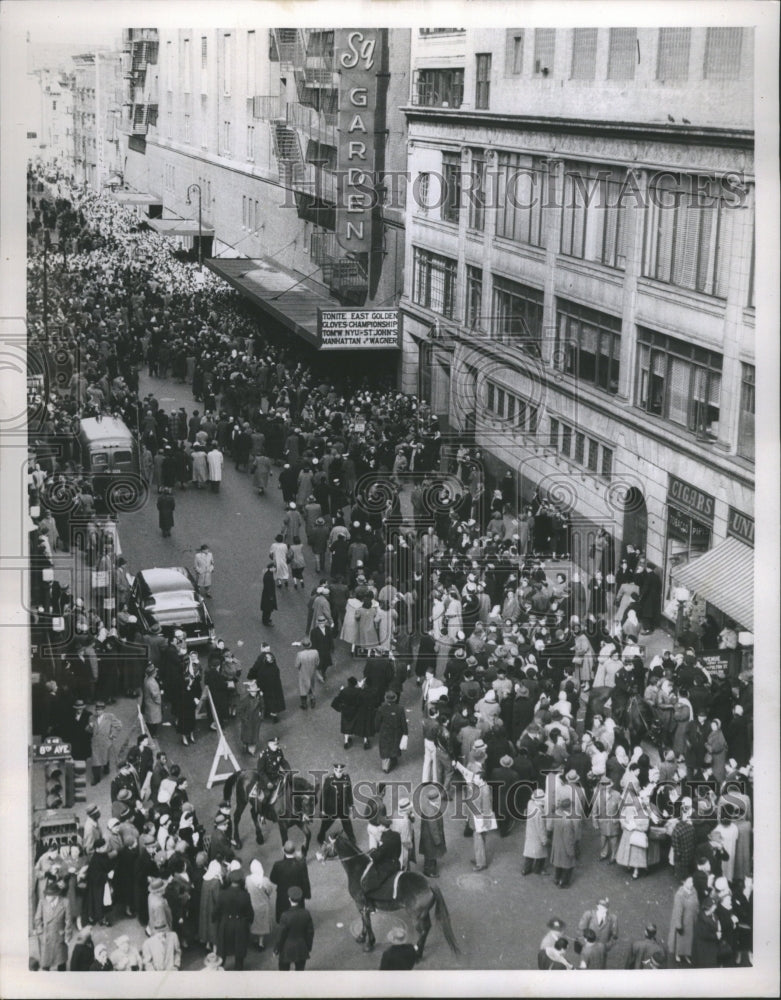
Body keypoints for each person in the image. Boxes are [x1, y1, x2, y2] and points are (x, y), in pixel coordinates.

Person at [213, 867, 254, 971]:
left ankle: (221, 971)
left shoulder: (222, 894)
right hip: (240, 925)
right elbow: (250, 913)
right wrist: (248, 921)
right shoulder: (245, 895)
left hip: (225, 924)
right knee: (239, 954)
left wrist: (216, 920)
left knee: (222, 953)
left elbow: (216, 911)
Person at [33, 874, 73, 970]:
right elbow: (37, 918)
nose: (47, 897)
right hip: (46, 936)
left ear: (56, 895)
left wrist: (67, 936)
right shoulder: (42, 902)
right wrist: (40, 932)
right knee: (46, 963)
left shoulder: (65, 902)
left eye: (49, 896)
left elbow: (68, 921)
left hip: (60, 936)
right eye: (46, 895)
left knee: (61, 962)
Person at [269, 841, 312, 923]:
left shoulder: (277, 865)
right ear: (295, 851)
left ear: (283, 851)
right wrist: (306, 894)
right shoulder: (301, 865)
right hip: (297, 893)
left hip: (283, 894)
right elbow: (305, 881)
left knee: (283, 912)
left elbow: (273, 879)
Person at [274, 885, 314, 971]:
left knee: (283, 972)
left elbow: (281, 935)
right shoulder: (306, 913)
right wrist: (308, 947)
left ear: (289, 898)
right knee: (300, 971)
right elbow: (310, 933)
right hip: (301, 947)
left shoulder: (285, 915)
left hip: (286, 948)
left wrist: (276, 949)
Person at [360, 817, 402, 897]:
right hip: (396, 862)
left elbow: (378, 856)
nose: (377, 827)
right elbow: (398, 852)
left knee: (370, 883)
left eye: (378, 825)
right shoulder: (396, 835)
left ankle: (371, 902)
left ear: (383, 827)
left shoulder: (385, 840)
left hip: (388, 866)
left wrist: (372, 853)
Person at [317, 762, 356, 846]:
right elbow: (323, 796)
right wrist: (322, 810)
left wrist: (350, 805)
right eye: (336, 770)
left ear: (343, 770)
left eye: (340, 771)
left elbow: (349, 792)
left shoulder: (346, 778)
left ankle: (352, 839)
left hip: (343, 807)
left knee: (347, 824)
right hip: (331, 808)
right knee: (325, 824)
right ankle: (320, 837)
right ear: (334, 770)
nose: (338, 773)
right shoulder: (329, 780)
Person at [668, 875, 699, 966]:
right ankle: (678, 954)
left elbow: (697, 904)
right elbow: (678, 911)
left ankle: (686, 954)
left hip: (691, 921)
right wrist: (678, 925)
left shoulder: (694, 891)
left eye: (692, 882)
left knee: (689, 940)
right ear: (684, 882)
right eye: (690, 882)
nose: (692, 884)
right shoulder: (679, 895)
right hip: (683, 923)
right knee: (680, 940)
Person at [374, 689, 408, 774]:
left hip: (385, 731)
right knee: (394, 745)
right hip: (396, 731)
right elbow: (403, 722)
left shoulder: (381, 708)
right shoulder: (400, 709)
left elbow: (377, 722)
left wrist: (377, 729)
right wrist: (405, 733)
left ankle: (385, 767)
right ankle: (393, 758)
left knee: (385, 747)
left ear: (386, 699)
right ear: (395, 699)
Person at [89, 701, 123, 786]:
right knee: (95, 761)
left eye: (100, 710)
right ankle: (96, 778)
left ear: (103, 710)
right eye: (97, 710)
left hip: (105, 741)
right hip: (96, 742)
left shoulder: (110, 717)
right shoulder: (91, 718)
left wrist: (113, 734)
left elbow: (119, 725)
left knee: (105, 756)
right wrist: (90, 727)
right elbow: (88, 731)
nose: (98, 712)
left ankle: (106, 767)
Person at [418, 783, 447, 878]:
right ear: (434, 799)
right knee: (432, 853)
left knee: (428, 853)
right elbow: (433, 827)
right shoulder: (431, 811)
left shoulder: (428, 806)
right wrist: (438, 840)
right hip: (431, 837)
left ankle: (428, 867)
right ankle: (430, 871)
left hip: (426, 836)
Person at [245, 859, 274, 951]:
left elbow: (246, 889)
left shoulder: (248, 879)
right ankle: (261, 943)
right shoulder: (264, 880)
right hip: (263, 904)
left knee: (254, 923)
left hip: (252, 904)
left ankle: (255, 938)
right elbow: (269, 890)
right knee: (262, 923)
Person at [238, 680, 263, 755]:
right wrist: (244, 719)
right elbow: (240, 711)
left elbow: (263, 707)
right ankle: (245, 746)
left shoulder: (259, 699)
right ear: (249, 691)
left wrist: (261, 716)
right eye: (252, 691)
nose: (254, 693)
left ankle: (251, 750)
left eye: (255, 691)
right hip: (248, 721)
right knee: (247, 736)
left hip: (256, 720)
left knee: (254, 736)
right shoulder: (245, 700)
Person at [295, 637, 320, 710]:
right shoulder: (315, 652)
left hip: (303, 673)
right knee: (311, 686)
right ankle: (312, 701)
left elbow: (296, 665)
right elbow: (317, 663)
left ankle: (304, 704)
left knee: (303, 688)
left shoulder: (300, 654)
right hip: (312, 672)